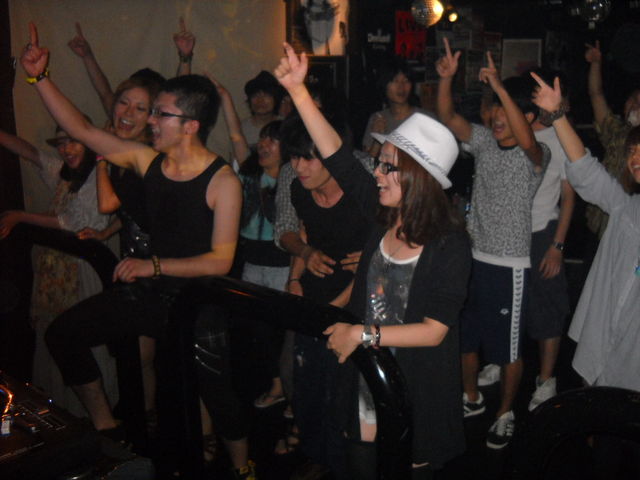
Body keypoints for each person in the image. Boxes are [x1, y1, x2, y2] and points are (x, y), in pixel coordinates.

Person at [19, 23, 253, 478]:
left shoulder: (222, 181)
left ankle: (244, 468)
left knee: (218, 393)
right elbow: (82, 129)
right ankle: (107, 427)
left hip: (200, 299)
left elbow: (220, 260)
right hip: (153, 292)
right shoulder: (149, 161)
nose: (150, 121)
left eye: (161, 114)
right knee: (64, 334)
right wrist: (38, 77)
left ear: (190, 126)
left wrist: (153, 265)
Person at [324, 112, 471, 479]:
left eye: (387, 165)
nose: (377, 172)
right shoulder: (384, 219)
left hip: (415, 385)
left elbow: (434, 330)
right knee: (361, 463)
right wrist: (298, 93)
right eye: (379, 162)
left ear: (418, 176)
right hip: (367, 376)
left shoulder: (450, 244)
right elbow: (340, 162)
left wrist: (361, 334)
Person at [436, 37, 548, 449]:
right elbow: (448, 117)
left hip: (509, 265)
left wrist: (500, 86)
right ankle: (472, 398)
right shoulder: (483, 142)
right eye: (493, 107)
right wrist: (446, 79)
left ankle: (505, 413)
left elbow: (528, 142)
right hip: (473, 257)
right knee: (466, 338)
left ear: (528, 116)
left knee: (508, 350)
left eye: (505, 108)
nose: (496, 115)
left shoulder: (537, 154)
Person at [274, 42, 378, 475]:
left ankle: (339, 464)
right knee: (304, 385)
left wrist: (338, 306)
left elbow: (378, 258)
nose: (299, 166)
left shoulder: (361, 188)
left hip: (356, 300)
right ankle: (316, 457)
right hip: (316, 291)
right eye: (294, 157)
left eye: (308, 157)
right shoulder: (298, 188)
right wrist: (298, 276)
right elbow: (301, 235)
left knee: (342, 393)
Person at [530, 72, 640, 394]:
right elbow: (586, 170)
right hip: (603, 343)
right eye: (632, 151)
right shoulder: (625, 207)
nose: (635, 158)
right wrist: (557, 115)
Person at [479, 69, 576, 412]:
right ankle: (500, 359)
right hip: (506, 234)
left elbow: (569, 197)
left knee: (546, 306)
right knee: (507, 305)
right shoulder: (503, 133)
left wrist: (557, 246)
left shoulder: (558, 138)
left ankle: (546, 379)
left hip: (541, 232)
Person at [0, 125, 113, 417]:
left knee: (82, 338)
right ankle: (63, 412)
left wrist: (21, 216)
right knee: (53, 336)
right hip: (55, 268)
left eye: (73, 142)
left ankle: (95, 415)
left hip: (83, 270)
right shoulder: (65, 174)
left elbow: (73, 222)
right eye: (61, 143)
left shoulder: (98, 177)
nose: (66, 149)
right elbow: (31, 153)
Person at [583, 40, 640, 238]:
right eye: (631, 100)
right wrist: (596, 64)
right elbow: (596, 94)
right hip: (605, 223)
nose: (634, 106)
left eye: (639, 103)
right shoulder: (617, 131)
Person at [361, 57, 430, 158]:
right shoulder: (377, 118)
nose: (401, 87)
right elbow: (367, 164)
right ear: (385, 85)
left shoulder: (425, 119)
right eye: (395, 81)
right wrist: (377, 139)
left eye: (406, 81)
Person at [241, 71, 284, 152]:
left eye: (266, 95)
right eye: (255, 95)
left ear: (275, 100)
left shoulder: (285, 126)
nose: (260, 100)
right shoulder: (241, 129)